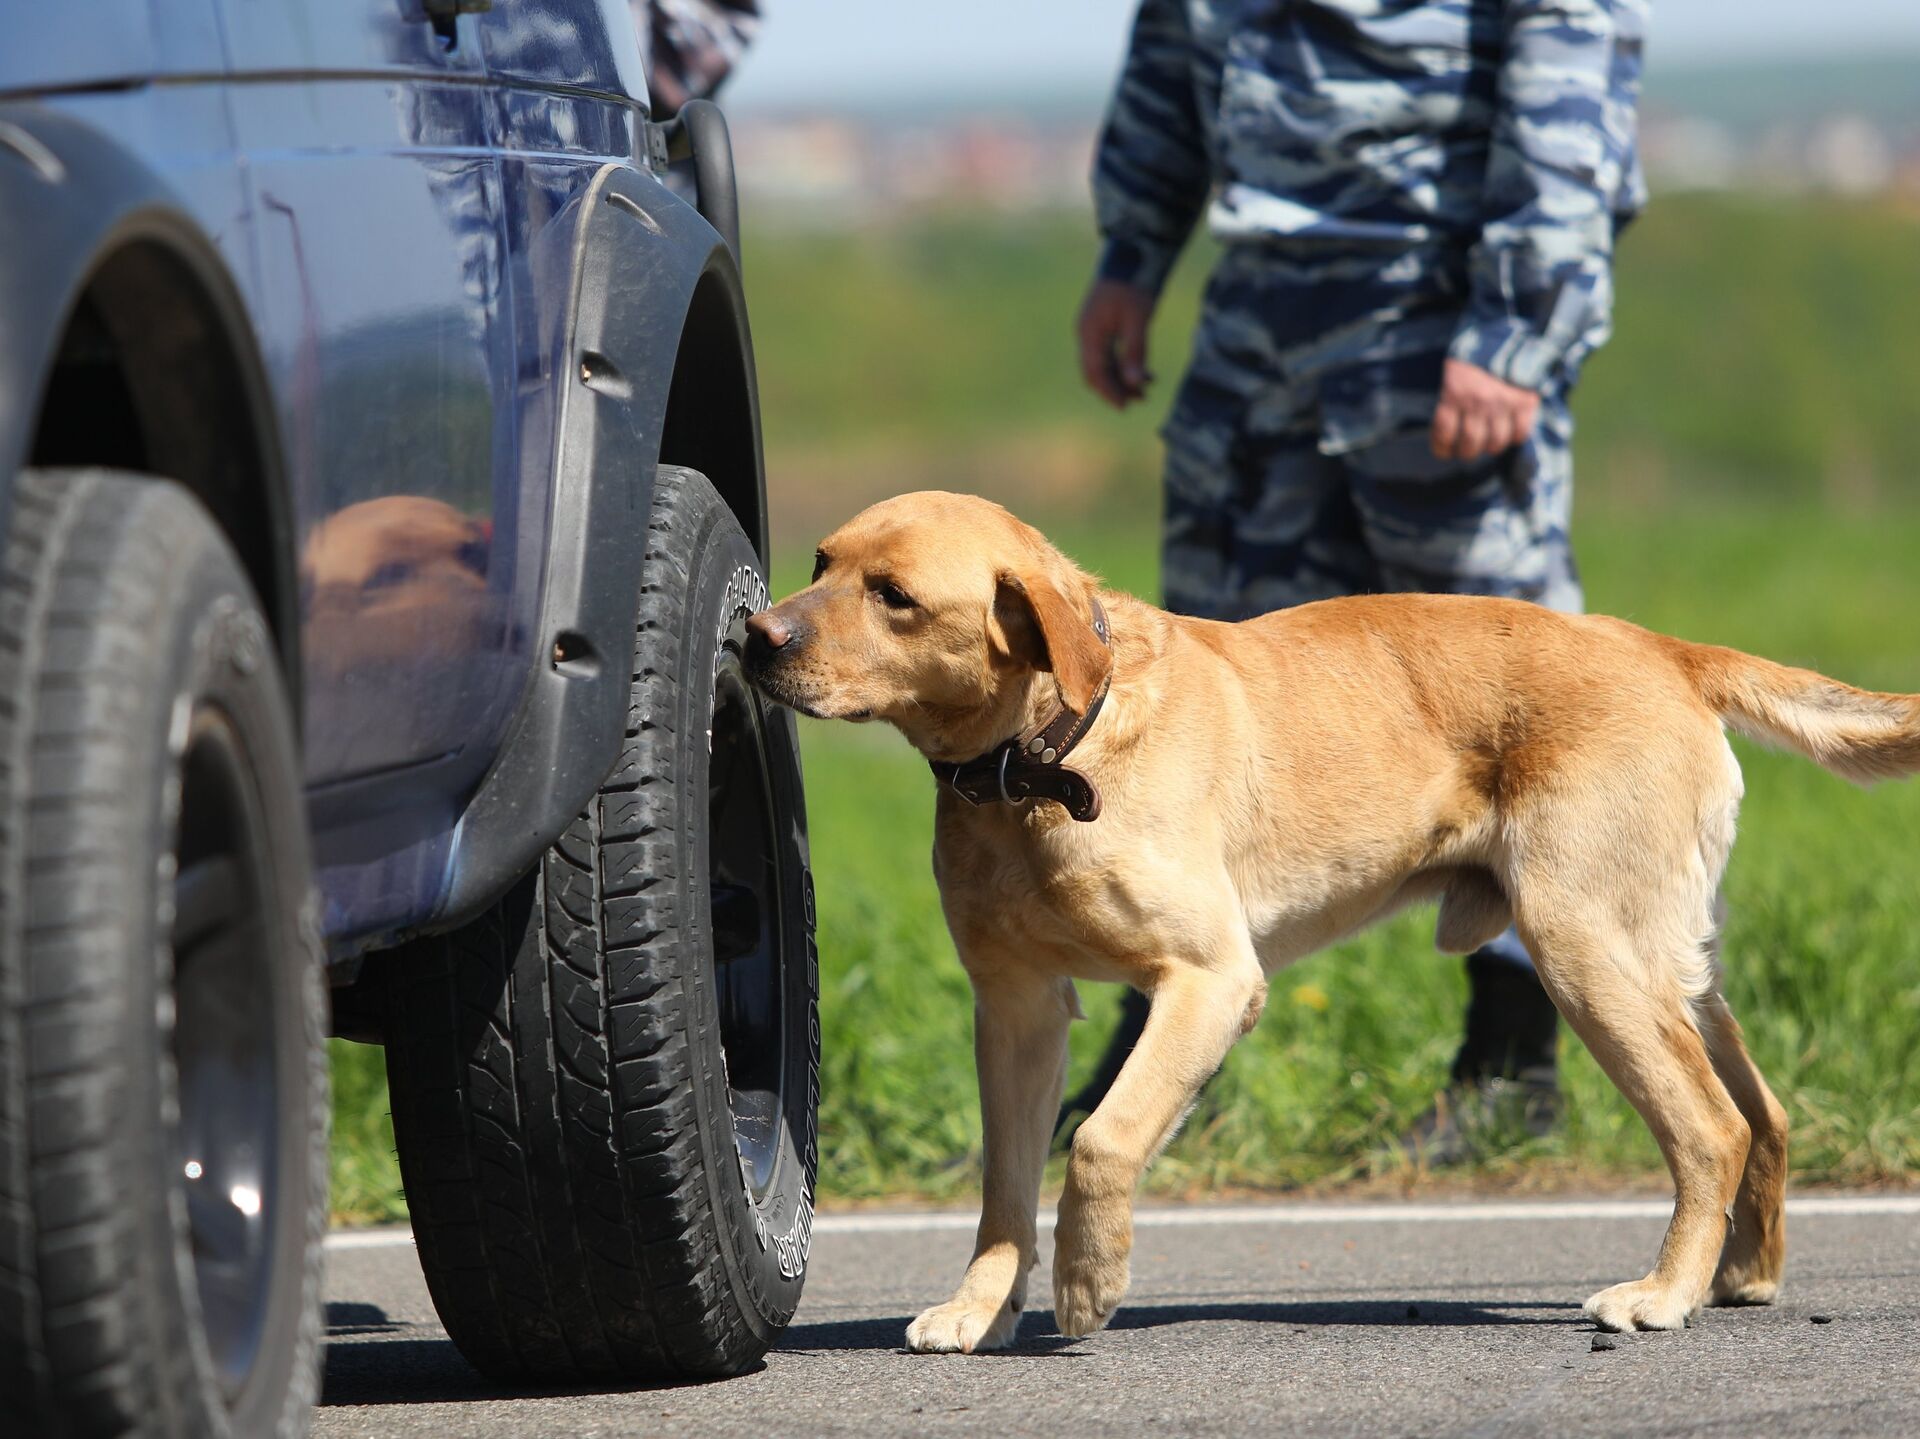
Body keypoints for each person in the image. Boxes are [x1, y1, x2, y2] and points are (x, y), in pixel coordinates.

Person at [1061, 0, 1648, 1163]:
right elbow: (1178, 45)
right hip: (1258, 317)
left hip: (1434, 305)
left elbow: (1569, 57)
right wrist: (1134, 252)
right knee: (1193, 707)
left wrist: (1518, 321)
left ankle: (1513, 1059)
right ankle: (1169, 1046)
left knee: (1507, 703)